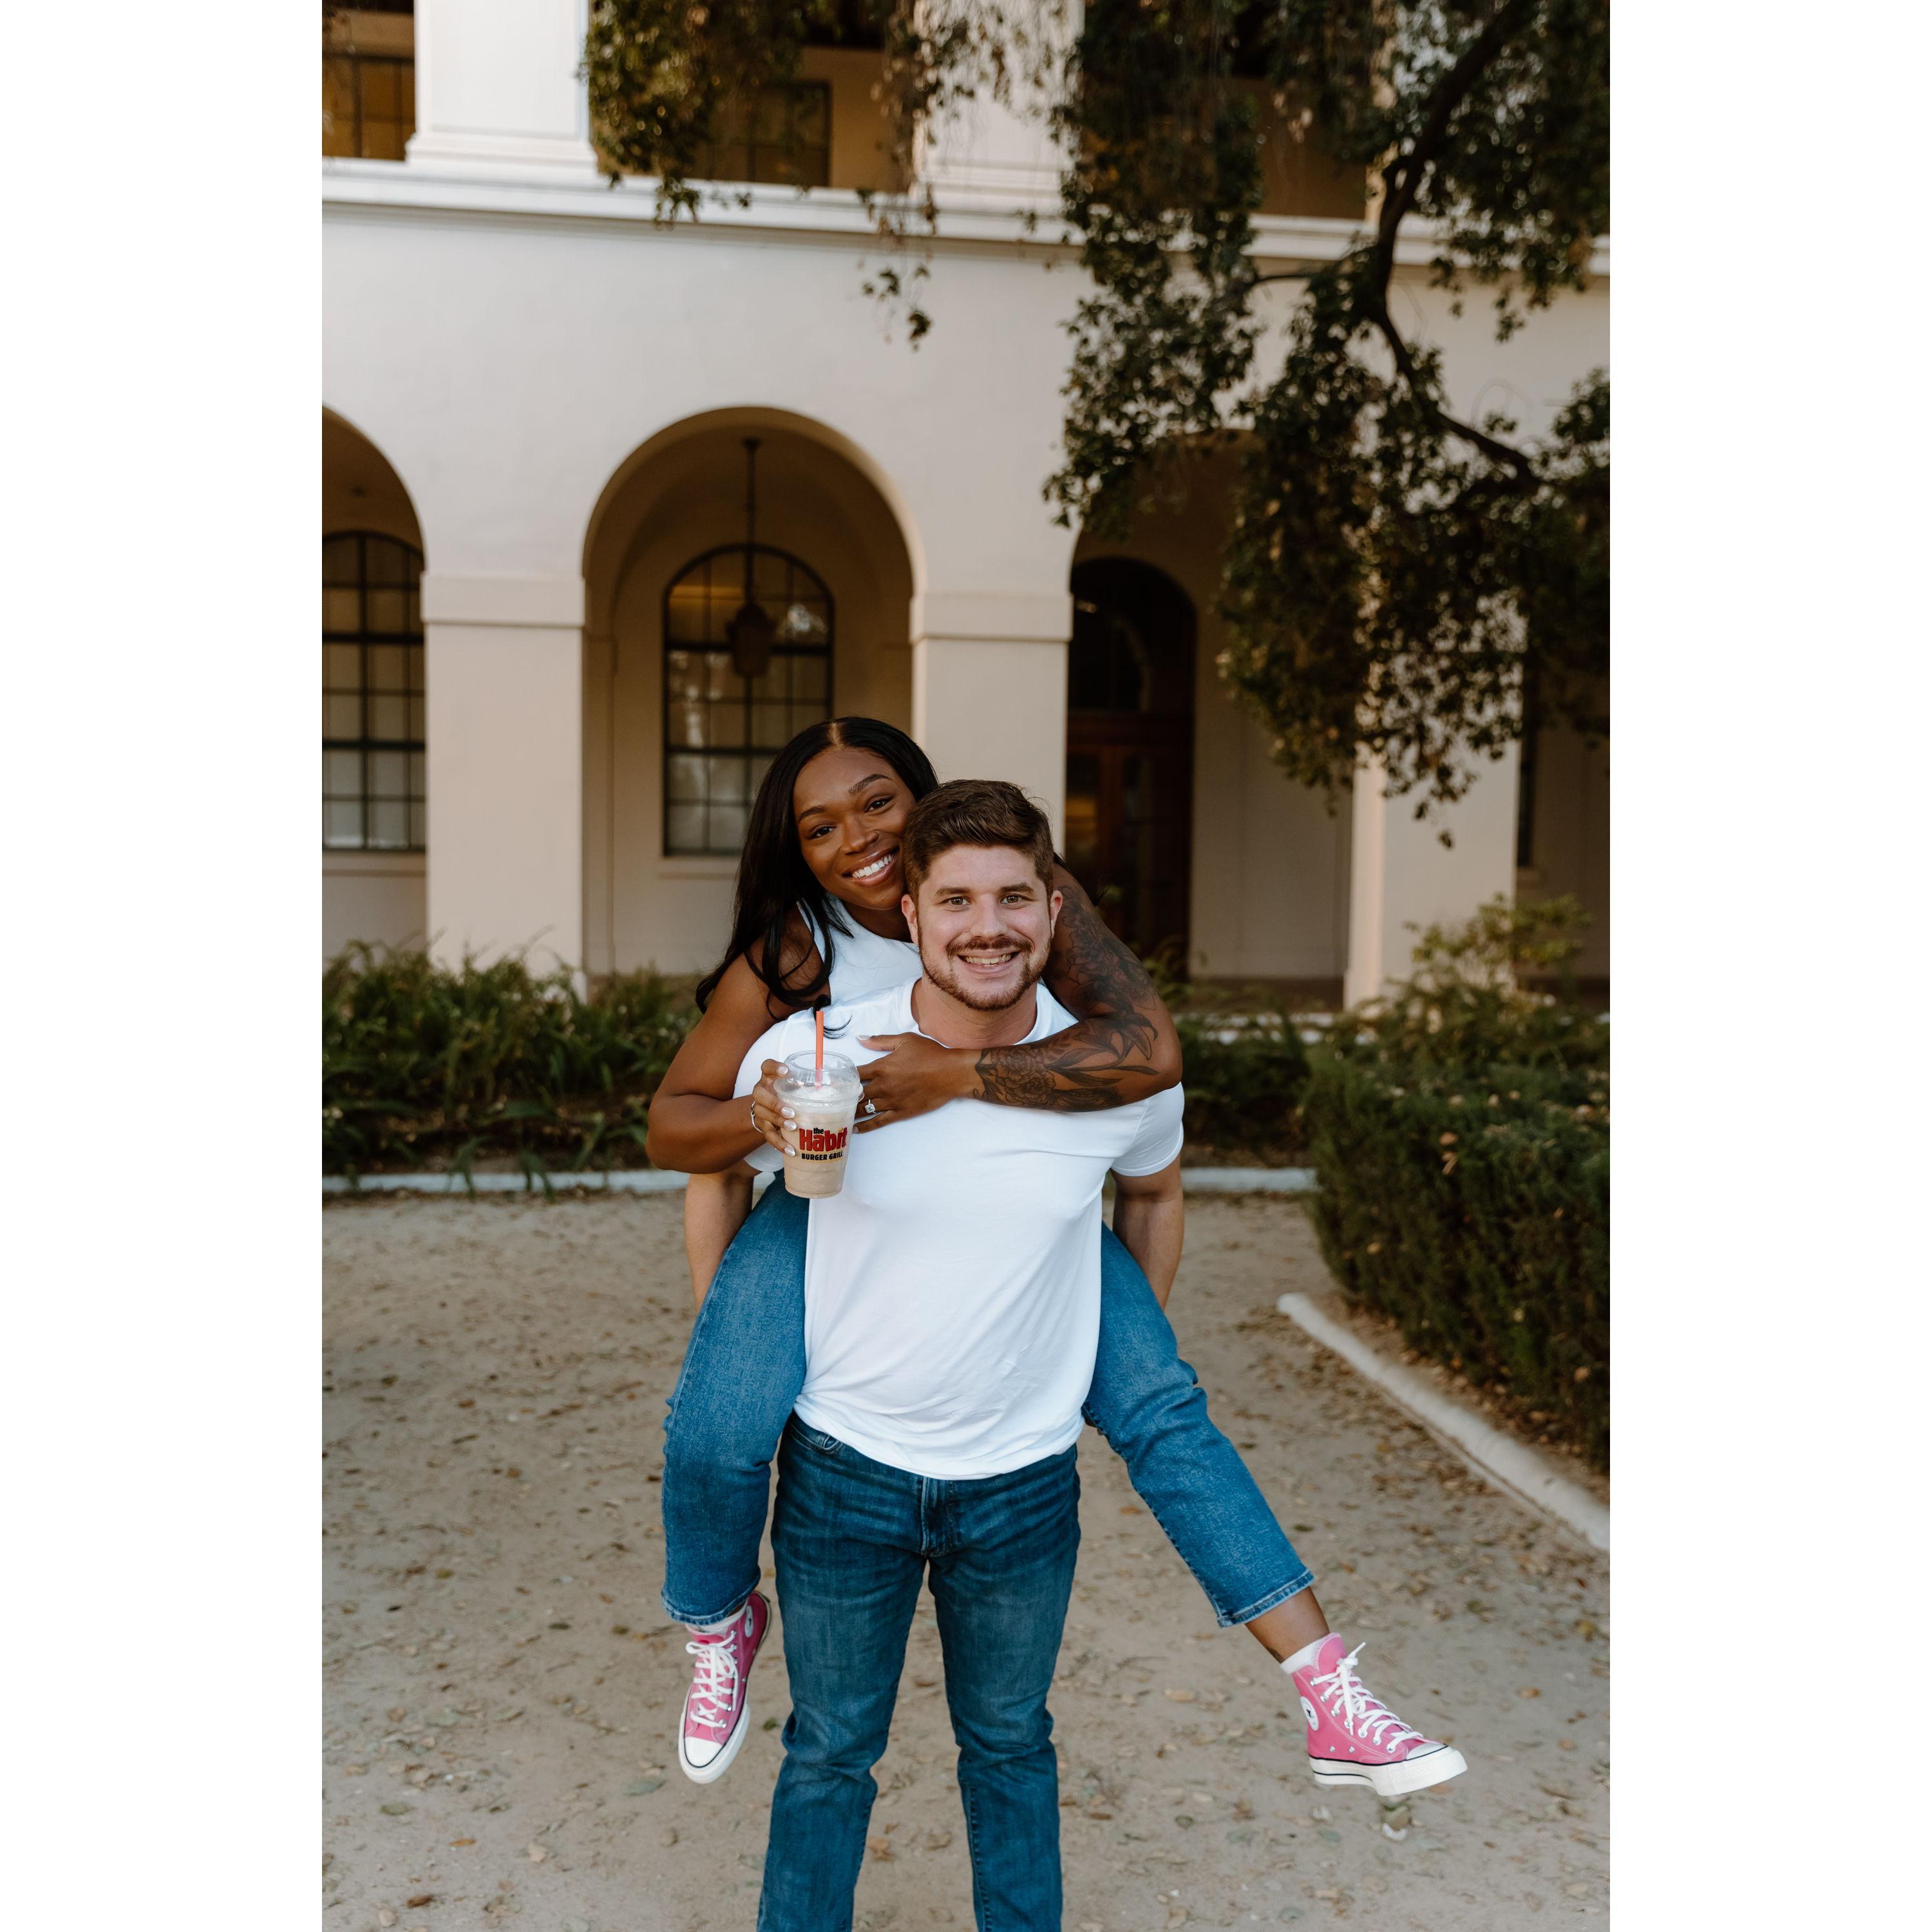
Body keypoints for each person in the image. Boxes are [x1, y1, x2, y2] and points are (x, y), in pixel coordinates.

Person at [644, 723, 1464, 1806]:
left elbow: (1147, 1050)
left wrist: (959, 1079)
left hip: (1030, 1194)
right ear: (796, 849)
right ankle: (720, 1625)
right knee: (715, 1425)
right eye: (821, 827)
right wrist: (754, 1146)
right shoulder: (798, 951)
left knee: (1163, 1409)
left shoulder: (1019, 894)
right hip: (835, 1196)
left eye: (880, 803)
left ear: (924, 800)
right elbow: (681, 1135)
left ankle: (1329, 1696)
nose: (860, 839)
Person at [739, 780, 1186, 1930]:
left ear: (1054, 910)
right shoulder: (816, 1049)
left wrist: (1111, 1364)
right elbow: (713, 1178)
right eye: (956, 901)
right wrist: (745, 1375)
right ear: (913, 916)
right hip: (844, 1472)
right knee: (830, 1749)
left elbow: (1154, 1191)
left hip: (1023, 1482)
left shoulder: (1114, 1069)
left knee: (1010, 1744)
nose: (988, 926)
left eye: (1014, 898)